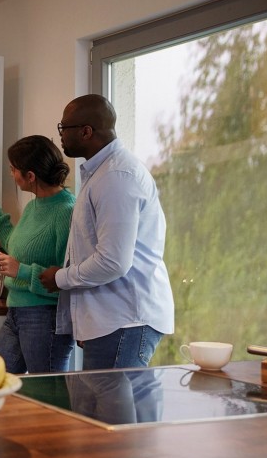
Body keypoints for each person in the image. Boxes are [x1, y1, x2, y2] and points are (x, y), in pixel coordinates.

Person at [39, 94, 174, 370]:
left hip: (125, 319)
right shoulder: (101, 173)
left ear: (86, 131)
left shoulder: (116, 177)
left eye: (64, 128)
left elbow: (112, 261)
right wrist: (86, 322)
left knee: (111, 415)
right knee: (97, 411)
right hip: (111, 320)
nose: (61, 136)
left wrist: (60, 278)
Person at [0, 135, 76, 373]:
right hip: (17, 312)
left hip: (46, 317)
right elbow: (16, 246)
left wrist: (21, 270)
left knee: (48, 395)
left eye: (13, 169)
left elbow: (67, 276)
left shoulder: (67, 212)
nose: (11, 174)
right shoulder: (33, 206)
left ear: (30, 176)